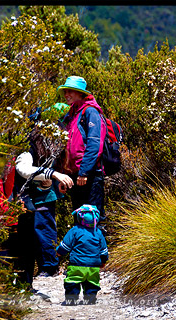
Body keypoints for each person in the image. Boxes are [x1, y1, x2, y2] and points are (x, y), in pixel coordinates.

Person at [14, 125, 74, 289]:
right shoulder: (28, 149)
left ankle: (49, 266)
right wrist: (53, 175)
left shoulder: (49, 147)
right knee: (34, 232)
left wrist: (57, 179)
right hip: (30, 197)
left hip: (44, 195)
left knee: (44, 229)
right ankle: (37, 270)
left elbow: (57, 164)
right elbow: (23, 169)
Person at [57, 76, 107, 224]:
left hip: (90, 176)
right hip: (75, 176)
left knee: (93, 219)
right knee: (79, 219)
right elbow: (66, 148)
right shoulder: (72, 114)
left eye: (71, 91)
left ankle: (98, 247)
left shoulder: (90, 112)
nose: (67, 94)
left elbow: (94, 144)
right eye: (66, 91)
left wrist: (84, 171)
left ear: (81, 93)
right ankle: (81, 247)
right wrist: (63, 175)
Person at [56, 204, 109, 305]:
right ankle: (90, 298)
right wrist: (103, 261)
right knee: (92, 283)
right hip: (94, 266)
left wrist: (59, 252)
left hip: (76, 264)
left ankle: (71, 299)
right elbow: (103, 251)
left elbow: (65, 245)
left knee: (72, 281)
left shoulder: (75, 231)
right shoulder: (98, 232)